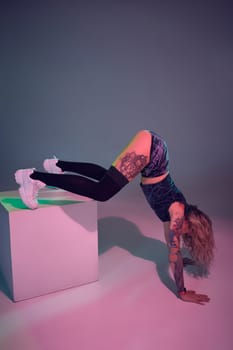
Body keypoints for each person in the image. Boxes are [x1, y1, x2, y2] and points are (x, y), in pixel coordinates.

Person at [14, 129, 214, 304]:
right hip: (152, 152)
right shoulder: (178, 213)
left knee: (106, 179)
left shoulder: (175, 215)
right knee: (102, 192)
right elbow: (173, 252)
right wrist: (182, 291)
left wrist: (181, 258)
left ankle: (57, 165)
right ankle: (33, 177)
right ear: (191, 223)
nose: (181, 237)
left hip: (153, 151)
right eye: (189, 235)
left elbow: (174, 252)